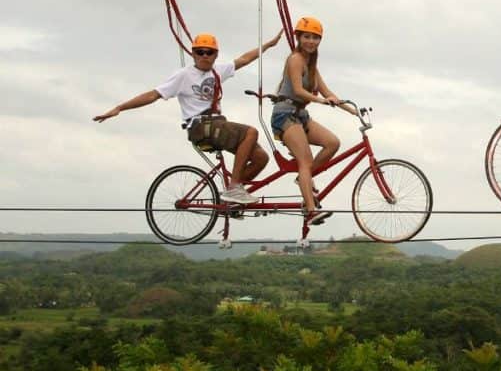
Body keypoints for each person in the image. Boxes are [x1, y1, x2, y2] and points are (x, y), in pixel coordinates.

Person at [94, 31, 284, 204]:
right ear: (193, 53)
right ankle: (234, 188)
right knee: (251, 132)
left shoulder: (217, 71)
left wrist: (268, 45)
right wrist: (120, 107)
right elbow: (153, 95)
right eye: (199, 52)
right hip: (200, 126)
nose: (204, 56)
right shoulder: (183, 75)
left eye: (209, 52)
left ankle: (231, 198)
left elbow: (244, 59)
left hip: (217, 124)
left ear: (215, 55)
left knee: (261, 158)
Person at [272, 16, 356, 225]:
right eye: (307, 37)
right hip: (285, 115)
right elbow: (299, 90)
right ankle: (310, 211)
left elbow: (327, 92)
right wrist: (320, 100)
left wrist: (351, 110)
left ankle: (304, 179)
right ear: (299, 37)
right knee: (306, 160)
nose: (311, 41)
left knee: (332, 143)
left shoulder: (312, 64)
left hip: (300, 115)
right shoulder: (295, 59)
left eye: (315, 38)